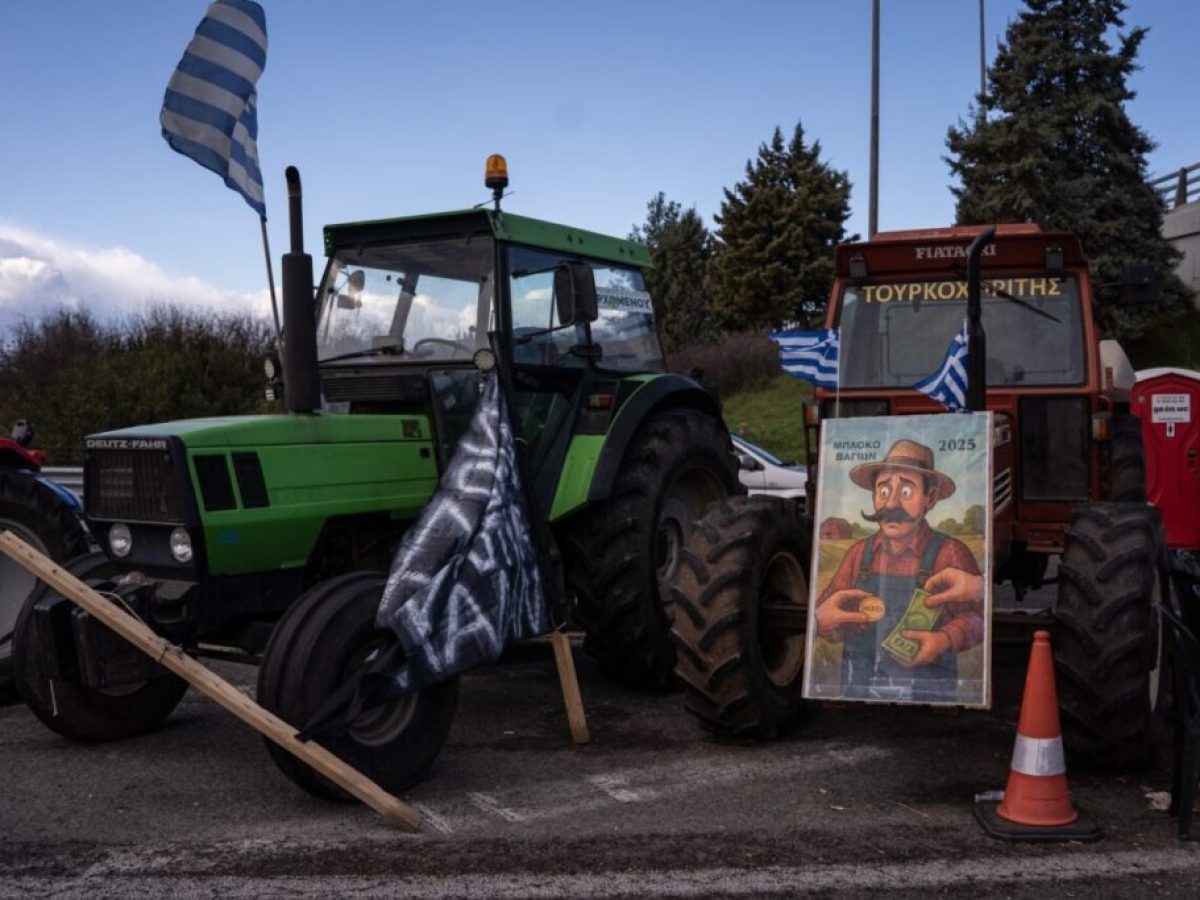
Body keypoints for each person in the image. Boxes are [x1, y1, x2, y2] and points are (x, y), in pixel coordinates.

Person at [815, 439, 984, 700]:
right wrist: (826, 624)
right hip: (859, 694)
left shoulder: (950, 553)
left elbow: (978, 618)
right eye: (883, 491)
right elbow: (829, 619)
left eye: (906, 492)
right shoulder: (859, 554)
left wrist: (943, 640)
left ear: (930, 497)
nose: (891, 504)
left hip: (930, 697)